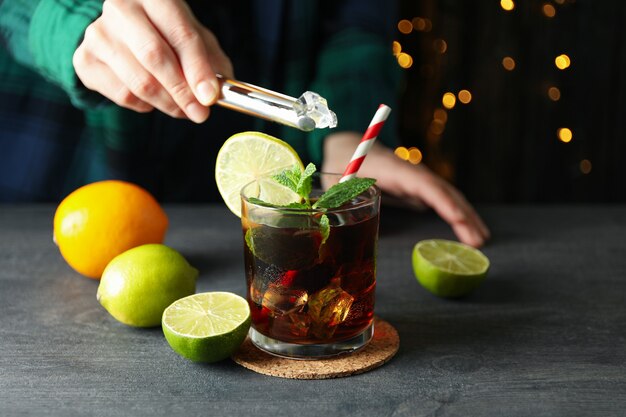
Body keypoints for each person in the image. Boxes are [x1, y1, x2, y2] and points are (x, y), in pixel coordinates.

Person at [0, 0, 489, 247]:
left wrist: (343, 138)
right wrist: (70, 20)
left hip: (269, 211)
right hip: (62, 182)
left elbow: (355, 14)